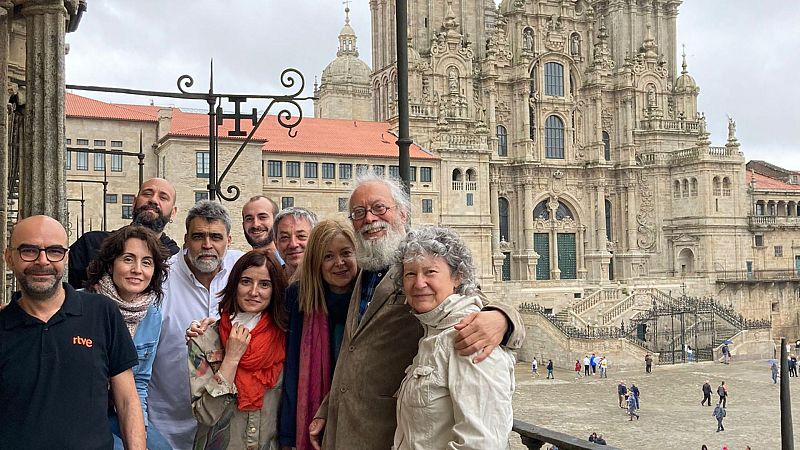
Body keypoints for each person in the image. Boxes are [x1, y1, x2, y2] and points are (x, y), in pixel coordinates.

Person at [308, 174, 524, 450]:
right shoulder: (363, 267)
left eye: (379, 208)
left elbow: (471, 298)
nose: (370, 219)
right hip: (349, 428)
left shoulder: (426, 262)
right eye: (359, 212)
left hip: (387, 433)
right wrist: (329, 408)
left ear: (402, 213)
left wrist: (503, 319)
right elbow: (354, 351)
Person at [0, 215, 144, 449]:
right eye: (28, 250)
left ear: (66, 257)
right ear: (9, 257)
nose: (42, 261)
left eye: (54, 251)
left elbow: (127, 401)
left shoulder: (102, 312)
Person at [391, 225, 514, 449]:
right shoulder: (433, 333)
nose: (419, 283)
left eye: (430, 272)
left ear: (458, 277)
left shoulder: (470, 337)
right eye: (410, 273)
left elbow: (481, 444)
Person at [148, 200, 245, 450]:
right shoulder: (160, 278)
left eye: (216, 237)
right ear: (185, 238)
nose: (207, 245)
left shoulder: (243, 272)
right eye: (198, 236)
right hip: (167, 425)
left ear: (229, 240)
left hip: (226, 425)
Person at [84, 225, 171, 450]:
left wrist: (138, 428)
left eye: (146, 262)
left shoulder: (151, 316)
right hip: (84, 412)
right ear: (111, 263)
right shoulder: (81, 305)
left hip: (123, 409)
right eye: (128, 259)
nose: (137, 269)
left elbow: (140, 381)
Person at [189, 250, 288, 449]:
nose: (254, 291)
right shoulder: (205, 339)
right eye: (246, 282)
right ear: (234, 285)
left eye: (264, 284)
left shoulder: (286, 337)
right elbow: (204, 414)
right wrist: (231, 360)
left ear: (275, 289)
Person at [279, 219, 359, 450]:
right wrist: (288, 436)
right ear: (316, 261)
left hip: (357, 418)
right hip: (310, 417)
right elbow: (292, 369)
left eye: (346, 253)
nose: (339, 263)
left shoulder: (371, 298)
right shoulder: (298, 297)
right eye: (328, 256)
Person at [69, 178, 181, 289]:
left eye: (163, 197)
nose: (153, 200)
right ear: (134, 202)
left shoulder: (176, 259)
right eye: (147, 194)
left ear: (173, 212)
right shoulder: (91, 244)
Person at [273, 206, 318, 278]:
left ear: (316, 240)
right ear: (276, 244)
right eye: (285, 237)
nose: (293, 244)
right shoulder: (269, 281)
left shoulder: (332, 282)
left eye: (301, 236)